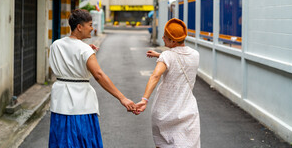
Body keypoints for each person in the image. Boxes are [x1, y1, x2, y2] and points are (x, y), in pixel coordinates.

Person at [48, 9, 135, 148]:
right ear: (79, 27)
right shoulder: (85, 50)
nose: (92, 28)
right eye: (90, 24)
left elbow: (70, 52)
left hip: (60, 101)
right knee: (82, 140)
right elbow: (99, 75)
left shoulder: (56, 45)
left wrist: (85, 48)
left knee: (61, 140)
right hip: (81, 103)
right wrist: (122, 98)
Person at [134, 18, 201, 148]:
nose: (163, 38)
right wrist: (159, 55)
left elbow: (155, 76)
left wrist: (144, 99)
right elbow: (180, 57)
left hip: (165, 111)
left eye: (165, 37)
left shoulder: (167, 56)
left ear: (173, 41)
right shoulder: (195, 54)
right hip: (188, 111)